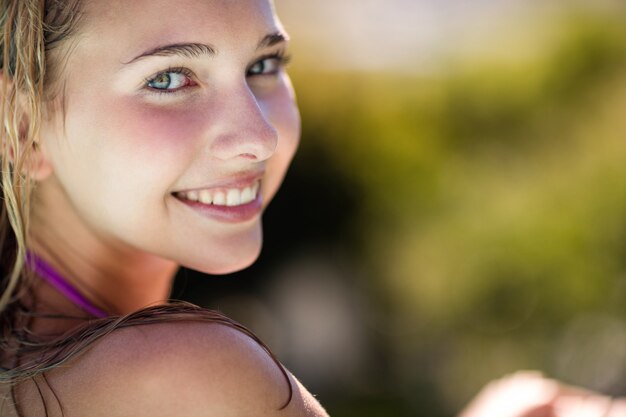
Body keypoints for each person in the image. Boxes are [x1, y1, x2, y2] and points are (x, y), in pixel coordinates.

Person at [0, 0, 328, 415]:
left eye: (262, 65)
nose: (259, 137)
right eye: (168, 79)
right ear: (21, 126)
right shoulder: (191, 380)